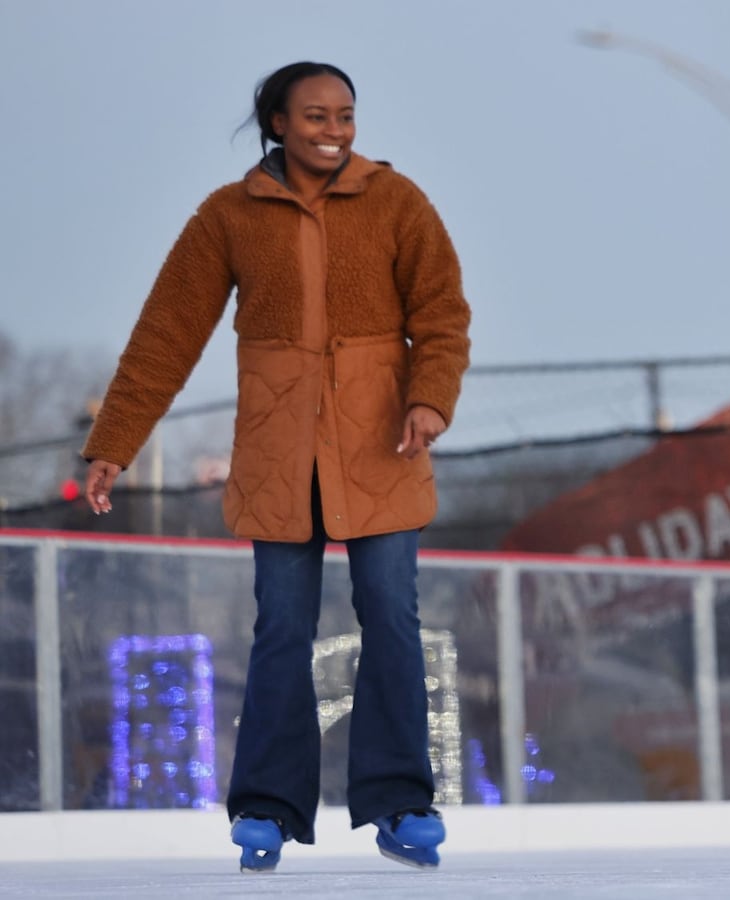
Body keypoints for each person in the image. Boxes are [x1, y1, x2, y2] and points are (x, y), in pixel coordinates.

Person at [80, 61, 471, 872]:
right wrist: (115, 441)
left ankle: (401, 800)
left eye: (346, 116)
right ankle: (266, 806)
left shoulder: (398, 202)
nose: (334, 130)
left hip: (380, 450)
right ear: (278, 123)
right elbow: (167, 332)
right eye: (317, 117)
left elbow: (441, 311)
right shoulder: (229, 215)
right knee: (281, 630)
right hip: (278, 455)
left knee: (392, 619)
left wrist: (429, 397)